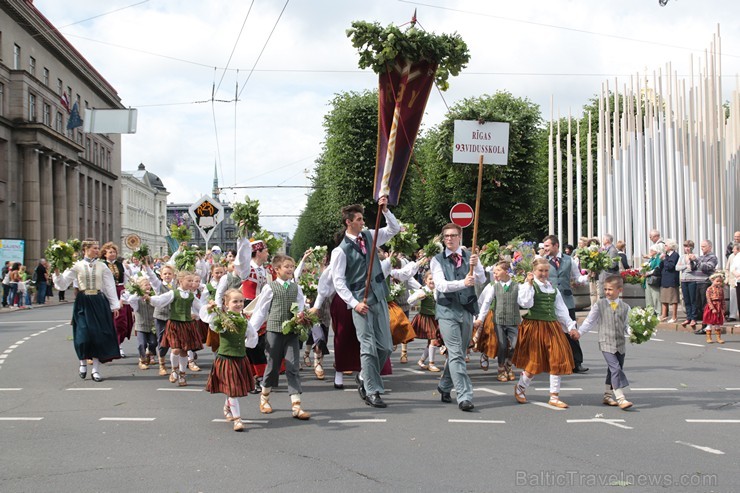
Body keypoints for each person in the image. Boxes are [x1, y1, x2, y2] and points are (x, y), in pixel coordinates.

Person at [330, 196, 400, 408]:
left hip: (379, 297)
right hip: (360, 303)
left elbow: (394, 229)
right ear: (348, 222)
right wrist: (354, 303)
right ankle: (372, 390)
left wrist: (386, 210)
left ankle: (363, 377)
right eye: (359, 219)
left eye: (362, 219)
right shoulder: (340, 251)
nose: (362, 222)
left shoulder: (370, 236)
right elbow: (339, 282)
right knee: (367, 347)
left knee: (386, 347)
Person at [248, 254, 313, 420]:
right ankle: (264, 397)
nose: (291, 269)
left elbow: (300, 306)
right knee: (272, 366)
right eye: (287, 266)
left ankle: (296, 405)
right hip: (274, 331)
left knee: (292, 366)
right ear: (277, 270)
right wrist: (251, 331)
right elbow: (261, 311)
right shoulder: (270, 288)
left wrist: (301, 316)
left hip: (291, 332)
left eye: (292, 266)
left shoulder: (295, 287)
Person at [430, 223, 485, 412]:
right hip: (447, 310)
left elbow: (482, 279)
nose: (450, 239)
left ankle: (444, 385)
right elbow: (441, 285)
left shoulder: (470, 257)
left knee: (459, 354)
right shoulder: (437, 260)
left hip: (467, 308)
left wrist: (476, 268)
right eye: (446, 236)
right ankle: (465, 396)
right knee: (454, 353)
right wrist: (463, 282)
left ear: (460, 236)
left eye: (453, 235)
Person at [52, 240, 121, 382]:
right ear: (85, 249)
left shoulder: (102, 266)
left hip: (98, 301)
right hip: (83, 302)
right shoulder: (76, 266)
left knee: (98, 336)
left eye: (97, 248)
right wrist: (57, 272)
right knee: (82, 335)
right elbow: (62, 285)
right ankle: (83, 362)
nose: (97, 250)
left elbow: (109, 286)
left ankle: (95, 370)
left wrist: (114, 306)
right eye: (94, 248)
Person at [512, 258, 577, 408]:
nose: (543, 274)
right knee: (534, 362)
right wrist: (528, 284)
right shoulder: (529, 286)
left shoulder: (552, 288)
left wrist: (570, 326)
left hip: (552, 327)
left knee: (557, 358)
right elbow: (525, 303)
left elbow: (561, 310)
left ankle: (554, 396)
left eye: (546, 271)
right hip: (535, 327)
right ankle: (521, 387)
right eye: (540, 271)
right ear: (534, 271)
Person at [200, 289, 258, 432]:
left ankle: (227, 406)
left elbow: (252, 335)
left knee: (235, 388)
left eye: (241, 301)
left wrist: (245, 346)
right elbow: (212, 324)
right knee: (232, 389)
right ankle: (237, 419)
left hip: (240, 358)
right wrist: (211, 310)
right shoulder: (223, 319)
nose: (239, 304)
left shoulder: (244, 320)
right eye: (235, 301)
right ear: (226, 304)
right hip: (226, 358)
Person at [573, 275, 633, 409]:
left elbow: (627, 325)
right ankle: (621, 398)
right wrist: (580, 332)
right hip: (606, 342)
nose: (607, 292)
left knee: (614, 370)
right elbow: (590, 321)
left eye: (610, 289)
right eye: (605, 289)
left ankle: (607, 395)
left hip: (620, 344)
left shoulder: (626, 307)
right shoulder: (599, 305)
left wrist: (633, 333)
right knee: (615, 368)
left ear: (620, 290)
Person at [542, 235, 589, 373]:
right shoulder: (542, 261)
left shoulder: (569, 260)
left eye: (547, 246)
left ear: (556, 245)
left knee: (571, 331)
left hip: (566, 300)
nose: (545, 249)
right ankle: (550, 362)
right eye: (544, 246)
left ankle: (577, 362)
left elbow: (577, 278)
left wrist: (588, 276)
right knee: (550, 333)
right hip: (549, 302)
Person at [149, 270, 204, 387]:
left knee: (184, 351)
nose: (191, 283)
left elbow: (201, 308)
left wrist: (204, 311)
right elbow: (160, 300)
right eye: (188, 280)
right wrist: (149, 299)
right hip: (174, 324)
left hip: (187, 325)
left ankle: (182, 374)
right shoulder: (173, 293)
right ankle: (174, 370)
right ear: (180, 281)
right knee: (176, 349)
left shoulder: (191, 296)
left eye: (192, 281)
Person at [234, 237, 272, 392]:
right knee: (252, 344)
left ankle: (257, 377)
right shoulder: (247, 269)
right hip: (249, 308)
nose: (268, 253)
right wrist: (242, 240)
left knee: (260, 343)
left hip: (263, 309)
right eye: (265, 250)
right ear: (258, 253)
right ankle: (254, 377)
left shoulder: (266, 270)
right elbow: (240, 259)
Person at [475, 261, 521, 382]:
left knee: (514, 345)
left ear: (506, 272)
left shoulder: (517, 285)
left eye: (498, 271)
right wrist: (480, 318)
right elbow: (485, 302)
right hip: (499, 320)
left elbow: (525, 302)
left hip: (513, 320)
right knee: (502, 345)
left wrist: (529, 286)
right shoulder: (494, 286)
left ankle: (508, 365)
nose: (495, 274)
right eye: (494, 272)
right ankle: (501, 368)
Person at [100, 242, 133, 358]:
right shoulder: (101, 265)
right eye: (110, 252)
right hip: (106, 292)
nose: (113, 254)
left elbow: (127, 280)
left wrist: (126, 294)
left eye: (114, 252)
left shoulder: (121, 265)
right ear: (105, 254)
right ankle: (107, 346)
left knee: (121, 321)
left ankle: (119, 345)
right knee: (108, 321)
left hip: (120, 291)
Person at [143, 262, 176, 376]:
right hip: (161, 316)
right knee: (162, 341)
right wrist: (146, 266)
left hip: (173, 317)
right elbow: (152, 277)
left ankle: (174, 367)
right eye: (165, 274)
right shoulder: (158, 286)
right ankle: (162, 364)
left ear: (173, 275)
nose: (167, 276)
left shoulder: (176, 286)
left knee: (175, 342)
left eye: (169, 274)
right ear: (161, 275)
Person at [122, 275, 158, 370]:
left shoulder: (153, 297)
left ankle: (150, 353)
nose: (148, 286)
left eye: (149, 284)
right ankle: (142, 360)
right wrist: (138, 293)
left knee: (153, 343)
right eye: (145, 285)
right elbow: (130, 300)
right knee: (142, 343)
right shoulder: (137, 300)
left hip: (152, 325)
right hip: (141, 325)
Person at [408, 271, 442, 372]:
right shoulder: (422, 290)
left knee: (431, 341)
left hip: (435, 318)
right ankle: (431, 364)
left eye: (434, 279)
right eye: (430, 279)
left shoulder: (438, 290)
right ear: (425, 281)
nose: (432, 281)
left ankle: (421, 360)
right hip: (425, 318)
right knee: (433, 339)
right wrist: (418, 297)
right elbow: (409, 301)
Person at [688, 240, 718, 334]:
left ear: (710, 247)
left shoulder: (713, 257)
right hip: (697, 281)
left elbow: (707, 268)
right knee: (699, 305)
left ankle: (706, 327)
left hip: (706, 282)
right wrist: (691, 261)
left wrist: (696, 260)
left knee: (706, 305)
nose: (702, 248)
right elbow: (694, 268)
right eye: (701, 246)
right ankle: (704, 325)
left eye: (704, 246)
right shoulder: (701, 257)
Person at [676, 240, 698, 327]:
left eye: (689, 247)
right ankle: (688, 317)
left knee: (693, 299)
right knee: (686, 299)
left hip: (692, 279)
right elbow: (677, 267)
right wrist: (685, 266)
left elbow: (693, 268)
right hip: (683, 280)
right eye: (685, 247)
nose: (687, 249)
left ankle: (694, 318)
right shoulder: (682, 257)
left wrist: (691, 261)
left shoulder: (695, 256)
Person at [659, 239, 680, 323]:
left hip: (672, 279)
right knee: (664, 298)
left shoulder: (675, 255)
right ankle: (664, 315)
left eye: (666, 245)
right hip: (664, 279)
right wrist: (661, 260)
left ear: (671, 246)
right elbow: (661, 266)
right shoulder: (667, 255)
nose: (665, 247)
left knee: (673, 298)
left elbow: (670, 266)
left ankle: (674, 316)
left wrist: (664, 259)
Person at [703, 272, 726, 344]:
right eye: (717, 281)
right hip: (712, 307)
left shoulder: (721, 289)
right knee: (710, 322)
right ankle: (709, 337)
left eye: (720, 281)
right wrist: (712, 308)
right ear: (712, 280)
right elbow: (708, 299)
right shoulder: (709, 289)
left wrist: (723, 307)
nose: (719, 283)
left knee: (717, 323)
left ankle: (718, 337)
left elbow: (722, 299)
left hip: (719, 306)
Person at [643, 244, 663, 315]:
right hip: (648, 279)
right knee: (648, 297)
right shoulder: (651, 259)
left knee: (655, 296)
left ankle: (658, 312)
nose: (650, 251)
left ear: (656, 251)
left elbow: (657, 268)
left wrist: (648, 272)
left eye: (652, 250)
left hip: (654, 279)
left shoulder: (658, 258)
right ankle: (649, 312)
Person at [725, 243, 740, 322]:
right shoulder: (731, 256)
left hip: (738, 279)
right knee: (733, 298)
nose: (732, 250)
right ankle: (732, 315)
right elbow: (727, 268)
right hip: (733, 280)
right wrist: (727, 278)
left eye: (734, 249)